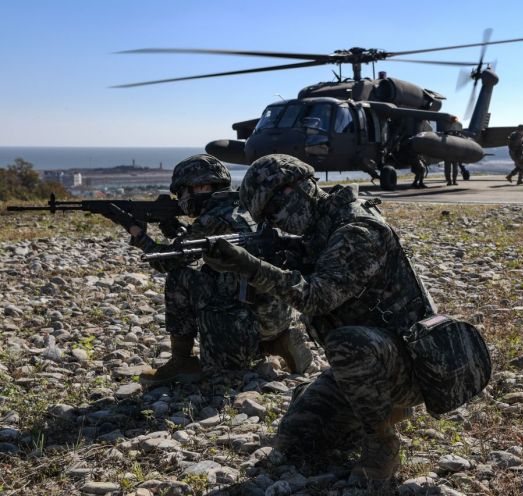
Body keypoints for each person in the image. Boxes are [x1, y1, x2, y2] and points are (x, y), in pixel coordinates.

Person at [204, 154, 438, 485]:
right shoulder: (320, 230)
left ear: (298, 188)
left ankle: (381, 442)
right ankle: (374, 406)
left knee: (347, 343)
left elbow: (316, 297)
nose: (276, 222)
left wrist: (251, 267)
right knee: (296, 437)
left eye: (274, 209)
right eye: (266, 218)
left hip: (411, 365)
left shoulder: (356, 229)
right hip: (371, 361)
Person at [103, 154, 311, 386]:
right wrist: (177, 230)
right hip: (276, 315)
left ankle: (182, 361)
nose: (180, 199)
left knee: (180, 276)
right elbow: (205, 246)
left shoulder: (212, 219)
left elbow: (165, 261)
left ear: (200, 187)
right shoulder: (246, 206)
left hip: (243, 324)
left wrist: (136, 233)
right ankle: (278, 342)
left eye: (181, 192)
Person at [444, 116, 463, 186]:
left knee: (454, 169)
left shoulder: (458, 125)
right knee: (448, 169)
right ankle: (449, 181)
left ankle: (453, 181)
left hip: (453, 152)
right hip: (449, 152)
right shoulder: (447, 126)